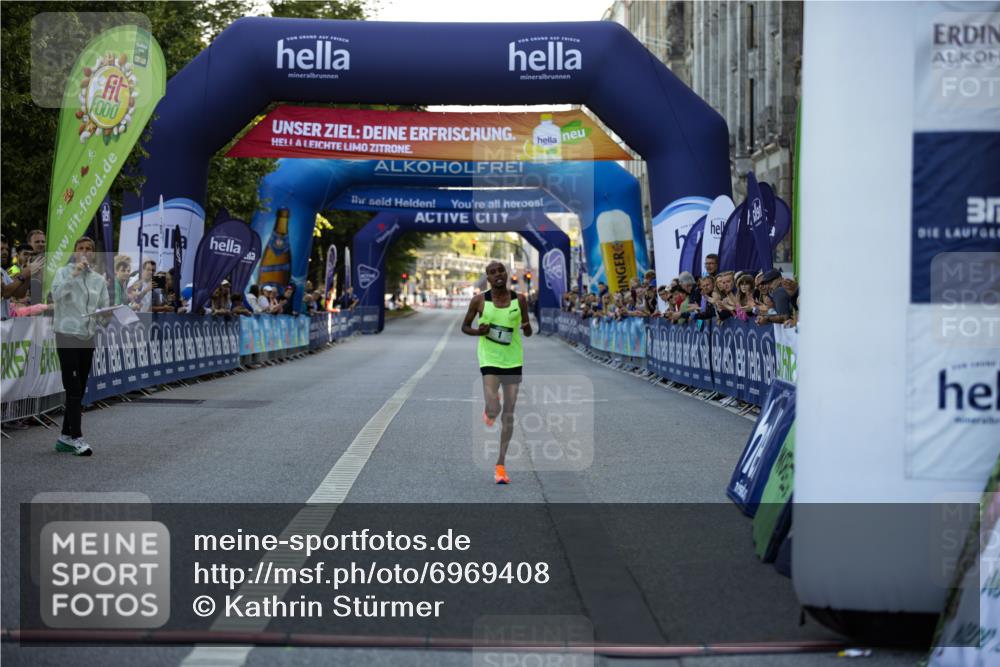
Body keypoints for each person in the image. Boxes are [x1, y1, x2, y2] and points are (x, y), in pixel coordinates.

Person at [461, 261, 532, 485]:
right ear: (488, 278)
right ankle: (491, 409)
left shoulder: (520, 300)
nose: (498, 275)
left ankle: (500, 466)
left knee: (508, 415)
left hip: (513, 360)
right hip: (489, 359)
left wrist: (527, 327)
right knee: (494, 408)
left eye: (501, 270)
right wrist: (477, 332)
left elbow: (527, 330)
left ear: (506, 274)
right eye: (492, 273)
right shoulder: (479, 300)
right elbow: (465, 326)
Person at [50, 236, 110, 456]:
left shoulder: (98, 280)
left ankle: (64, 436)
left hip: (88, 337)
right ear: (75, 252)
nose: (85, 252)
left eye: (89, 249)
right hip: (66, 334)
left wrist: (108, 314)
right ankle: (77, 437)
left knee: (79, 388)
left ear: (93, 254)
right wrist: (73, 274)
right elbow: (55, 296)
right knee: (73, 387)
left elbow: (103, 314)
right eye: (81, 248)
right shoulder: (63, 273)